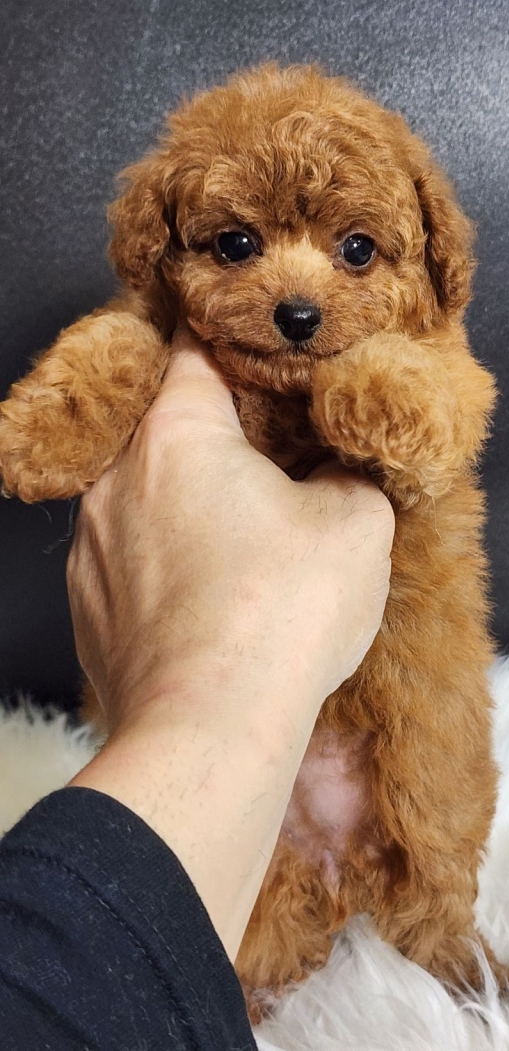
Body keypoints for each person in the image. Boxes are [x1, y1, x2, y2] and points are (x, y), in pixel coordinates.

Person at [0, 329, 395, 1049]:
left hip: (384, 723)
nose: (296, 295)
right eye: (235, 260)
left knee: (432, 846)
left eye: (358, 264)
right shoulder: (154, 338)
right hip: (208, 848)